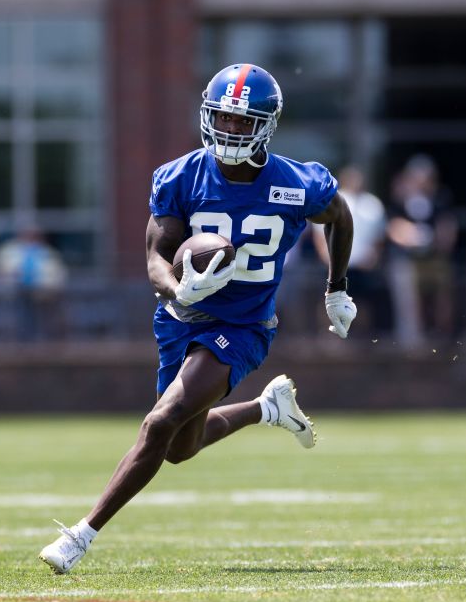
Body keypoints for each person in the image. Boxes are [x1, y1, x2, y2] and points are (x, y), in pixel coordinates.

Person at [38, 63, 356, 574]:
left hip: (243, 326)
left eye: (242, 121)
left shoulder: (298, 182)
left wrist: (336, 286)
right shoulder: (181, 176)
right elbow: (155, 257)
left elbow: (340, 216)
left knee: (160, 422)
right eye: (223, 119)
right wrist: (179, 288)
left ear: (267, 125)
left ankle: (81, 535)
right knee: (179, 447)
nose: (230, 130)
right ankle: (266, 409)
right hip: (180, 320)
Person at [385, 155, 458, 348]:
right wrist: (411, 236)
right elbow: (393, 226)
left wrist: (439, 242)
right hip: (407, 259)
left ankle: (442, 337)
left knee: (441, 297)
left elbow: (447, 226)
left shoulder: (440, 199)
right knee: (410, 302)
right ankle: (413, 342)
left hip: (434, 258)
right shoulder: (400, 198)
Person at [312, 164, 389, 336]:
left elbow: (379, 236)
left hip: (362, 266)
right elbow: (319, 232)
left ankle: (360, 339)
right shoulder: (334, 199)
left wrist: (373, 258)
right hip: (335, 265)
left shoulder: (372, 204)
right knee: (328, 300)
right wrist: (327, 257)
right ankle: (329, 340)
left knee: (362, 303)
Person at [0, 226, 67, 341]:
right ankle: (24, 337)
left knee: (42, 308)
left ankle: (40, 337)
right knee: (23, 305)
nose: (31, 239)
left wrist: (49, 284)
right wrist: (12, 275)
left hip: (43, 291)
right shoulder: (11, 251)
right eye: (28, 235)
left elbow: (58, 274)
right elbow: (1, 270)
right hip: (16, 290)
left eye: (33, 236)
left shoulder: (47, 253)